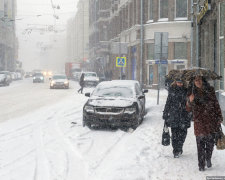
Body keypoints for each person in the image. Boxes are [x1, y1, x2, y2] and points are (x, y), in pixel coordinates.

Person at [186, 75, 223, 171]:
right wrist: (190, 101)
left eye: (199, 80)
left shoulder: (210, 90)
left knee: (210, 144)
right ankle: (201, 165)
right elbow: (188, 109)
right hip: (199, 122)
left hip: (211, 120)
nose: (198, 81)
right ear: (193, 82)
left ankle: (208, 158)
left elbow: (216, 104)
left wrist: (219, 117)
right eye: (196, 80)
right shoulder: (191, 92)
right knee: (200, 145)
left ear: (203, 81)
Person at [163, 77, 191, 158]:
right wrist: (165, 112)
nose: (180, 84)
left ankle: (180, 147)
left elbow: (190, 103)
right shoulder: (172, 90)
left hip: (184, 115)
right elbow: (168, 102)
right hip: (174, 115)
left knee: (183, 134)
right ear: (176, 82)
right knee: (174, 134)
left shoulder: (187, 91)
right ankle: (176, 150)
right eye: (178, 82)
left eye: (181, 82)